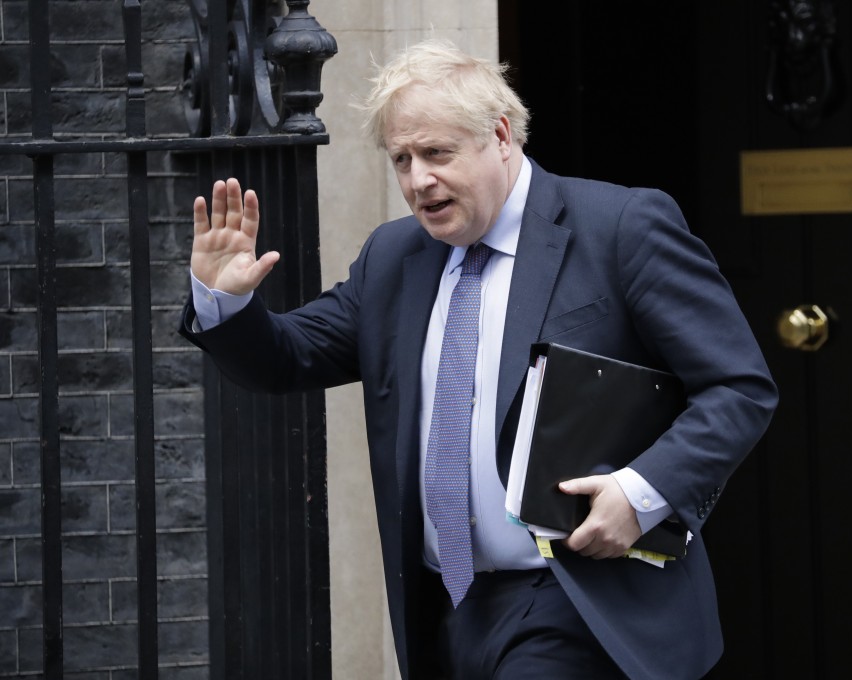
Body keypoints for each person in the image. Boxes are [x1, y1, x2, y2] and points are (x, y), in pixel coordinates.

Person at [181, 38, 778, 680]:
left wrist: (641, 494)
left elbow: (738, 388)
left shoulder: (622, 227)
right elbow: (287, 358)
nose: (418, 180)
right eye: (402, 159)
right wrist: (224, 301)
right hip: (449, 610)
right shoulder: (393, 257)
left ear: (499, 135)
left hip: (581, 600)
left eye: (436, 153)